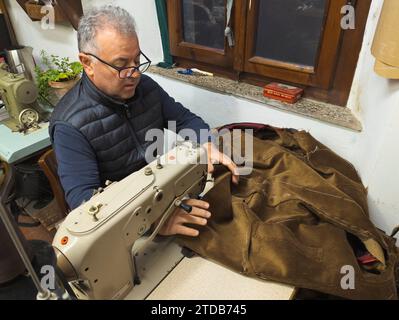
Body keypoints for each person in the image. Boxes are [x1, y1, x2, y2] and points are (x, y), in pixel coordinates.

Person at [49, 5, 239, 237]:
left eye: (137, 60)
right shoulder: (70, 126)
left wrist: (206, 143)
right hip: (125, 223)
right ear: (87, 63)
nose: (135, 73)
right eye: (121, 65)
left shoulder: (144, 86)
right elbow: (85, 205)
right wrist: (152, 222)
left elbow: (185, 120)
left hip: (161, 192)